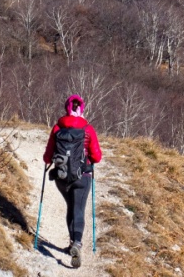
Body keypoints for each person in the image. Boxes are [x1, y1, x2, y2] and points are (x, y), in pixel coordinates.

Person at [43, 93, 102, 268]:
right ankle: (77, 242)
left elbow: (47, 157)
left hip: (62, 177)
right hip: (82, 176)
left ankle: (71, 244)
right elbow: (97, 157)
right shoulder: (88, 129)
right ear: (82, 109)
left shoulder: (57, 128)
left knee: (71, 206)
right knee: (78, 208)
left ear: (66, 108)